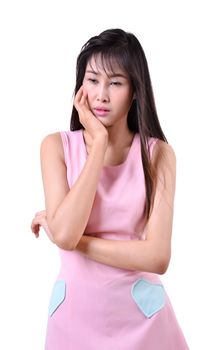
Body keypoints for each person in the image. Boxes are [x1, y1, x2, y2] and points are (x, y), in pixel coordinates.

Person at [31, 28, 189, 350]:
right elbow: (64, 234)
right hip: (73, 321)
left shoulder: (159, 155)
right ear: (80, 86)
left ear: (134, 91)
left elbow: (158, 257)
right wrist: (98, 144)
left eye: (115, 82)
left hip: (144, 324)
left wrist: (77, 242)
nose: (101, 94)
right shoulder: (55, 147)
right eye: (92, 80)